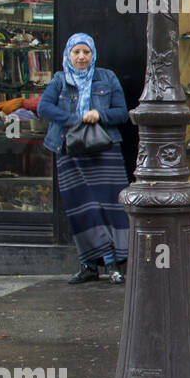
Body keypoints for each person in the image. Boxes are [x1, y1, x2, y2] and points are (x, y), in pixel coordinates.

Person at [37, 33, 132, 285]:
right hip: (70, 151)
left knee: (110, 208)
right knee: (82, 210)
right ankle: (90, 265)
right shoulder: (59, 79)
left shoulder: (107, 77)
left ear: (93, 54)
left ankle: (113, 263)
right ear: (68, 54)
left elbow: (122, 113)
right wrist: (75, 119)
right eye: (76, 52)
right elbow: (43, 108)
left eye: (86, 52)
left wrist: (98, 114)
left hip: (104, 149)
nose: (81, 57)